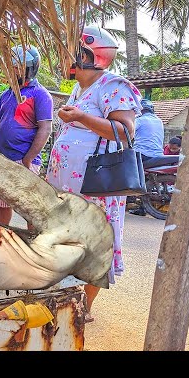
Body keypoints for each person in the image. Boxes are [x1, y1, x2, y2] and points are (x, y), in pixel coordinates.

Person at [45, 25, 142, 324]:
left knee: (95, 245)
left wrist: (82, 117)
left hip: (96, 186)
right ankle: (69, 301)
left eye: (69, 52)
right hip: (73, 188)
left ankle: (83, 308)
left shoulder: (114, 85)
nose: (63, 58)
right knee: (72, 243)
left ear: (88, 55)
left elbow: (125, 133)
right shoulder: (80, 87)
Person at [0, 45, 53, 226]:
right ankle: (2, 237)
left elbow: (45, 129)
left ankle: (32, 242)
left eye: (17, 66)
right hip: (3, 160)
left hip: (23, 160)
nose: (12, 70)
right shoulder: (6, 94)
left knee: (29, 206)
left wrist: (28, 159)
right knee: (3, 205)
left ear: (30, 68)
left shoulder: (40, 94)